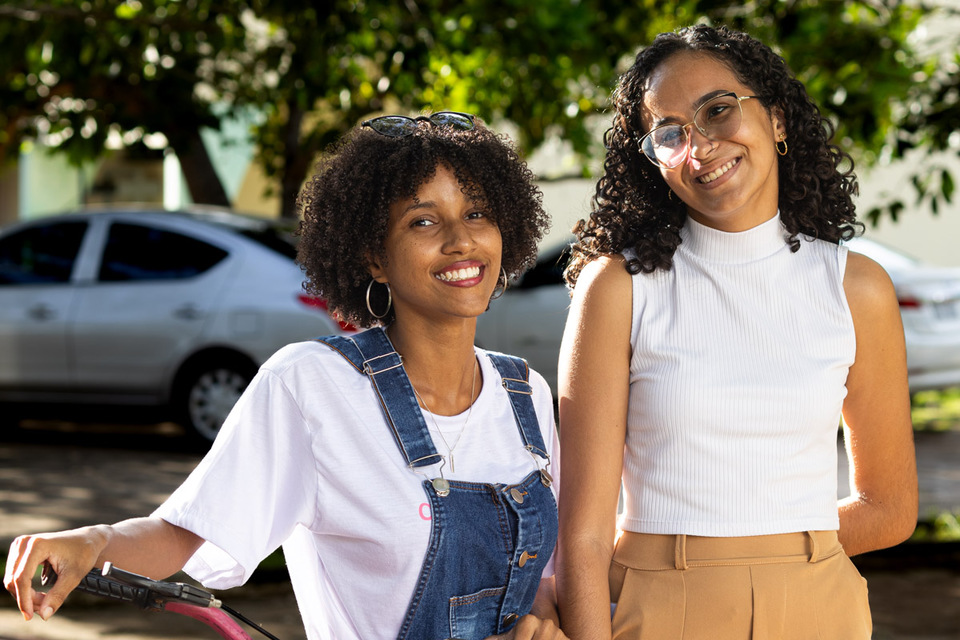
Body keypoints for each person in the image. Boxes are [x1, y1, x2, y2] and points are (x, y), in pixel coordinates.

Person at [5, 111, 567, 640]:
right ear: (373, 255)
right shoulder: (313, 387)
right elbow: (188, 530)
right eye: (423, 220)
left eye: (477, 214)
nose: (461, 240)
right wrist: (90, 542)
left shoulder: (525, 396)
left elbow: (545, 580)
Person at [555, 25, 918, 640]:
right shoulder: (619, 288)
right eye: (669, 133)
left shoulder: (856, 288)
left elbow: (889, 510)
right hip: (661, 604)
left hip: (819, 604)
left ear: (776, 120)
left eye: (718, 110)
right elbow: (583, 538)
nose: (699, 147)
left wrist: (776, 551)